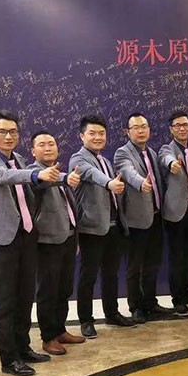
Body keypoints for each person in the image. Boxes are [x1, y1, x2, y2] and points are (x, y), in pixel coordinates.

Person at [0, 110, 59, 376]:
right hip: (4, 239)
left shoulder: (19, 159)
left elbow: (30, 186)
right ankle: (9, 359)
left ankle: (23, 348)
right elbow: (5, 177)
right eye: (2, 131)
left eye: (13, 131)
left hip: (27, 234)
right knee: (6, 300)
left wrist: (54, 179)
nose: (9, 136)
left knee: (25, 296)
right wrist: (35, 176)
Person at [69, 115, 136, 338]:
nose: (98, 137)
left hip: (114, 227)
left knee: (111, 273)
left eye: (101, 133)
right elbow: (92, 174)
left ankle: (112, 313)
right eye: (92, 133)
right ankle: (86, 320)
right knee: (88, 275)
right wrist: (109, 183)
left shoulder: (106, 161)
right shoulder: (78, 159)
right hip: (91, 228)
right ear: (82, 136)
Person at [114, 112, 172, 323]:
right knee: (134, 267)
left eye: (144, 126)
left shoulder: (152, 153)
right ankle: (136, 307)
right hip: (136, 220)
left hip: (155, 217)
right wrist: (140, 183)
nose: (141, 131)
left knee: (152, 264)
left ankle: (150, 303)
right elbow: (128, 172)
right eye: (136, 127)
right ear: (127, 132)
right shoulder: (122, 153)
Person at [30, 130, 83, 355]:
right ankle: (48, 337)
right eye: (42, 144)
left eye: (51, 143)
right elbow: (44, 183)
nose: (48, 148)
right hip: (47, 241)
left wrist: (75, 236)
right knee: (48, 290)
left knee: (64, 288)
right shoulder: (34, 174)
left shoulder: (60, 173)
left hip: (68, 237)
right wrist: (62, 177)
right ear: (33, 151)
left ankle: (60, 329)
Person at [158, 111, 188, 315]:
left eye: (185, 125)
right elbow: (165, 158)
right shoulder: (167, 149)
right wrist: (172, 164)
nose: (182, 128)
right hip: (176, 213)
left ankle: (186, 292)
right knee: (177, 257)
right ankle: (178, 299)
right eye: (177, 125)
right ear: (171, 129)